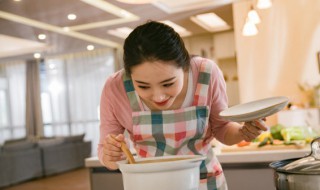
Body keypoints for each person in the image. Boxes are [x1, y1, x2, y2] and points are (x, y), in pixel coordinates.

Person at [98, 21, 267, 190]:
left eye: (168, 83)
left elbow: (222, 129)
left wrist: (243, 132)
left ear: (186, 67)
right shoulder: (115, 88)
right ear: (129, 74)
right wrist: (111, 155)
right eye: (143, 86)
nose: (158, 96)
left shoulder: (206, 74)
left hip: (203, 182)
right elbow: (106, 154)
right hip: (149, 185)